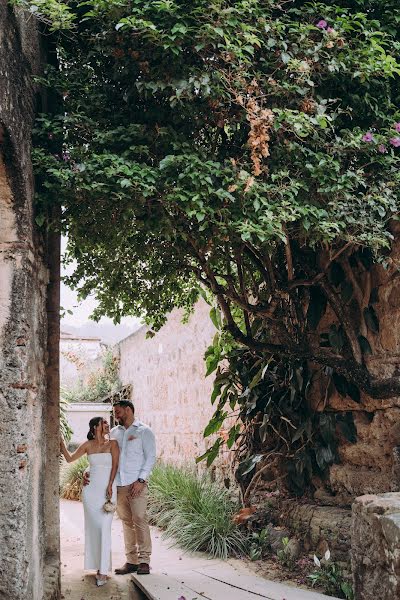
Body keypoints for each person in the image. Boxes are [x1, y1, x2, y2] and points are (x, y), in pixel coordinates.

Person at [85, 400, 156, 575]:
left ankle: (144, 560)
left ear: (128, 410)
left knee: (140, 519)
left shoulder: (144, 431)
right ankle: (131, 561)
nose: (115, 415)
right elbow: (103, 456)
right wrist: (87, 471)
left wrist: (141, 480)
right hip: (118, 485)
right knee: (126, 523)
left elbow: (151, 457)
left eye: (117, 412)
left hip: (136, 484)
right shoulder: (114, 433)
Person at [60, 417, 119, 586]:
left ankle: (103, 571)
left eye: (107, 423)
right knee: (94, 529)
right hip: (90, 492)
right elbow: (70, 459)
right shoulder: (88, 444)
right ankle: (96, 566)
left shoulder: (113, 444)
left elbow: (115, 466)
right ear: (95, 427)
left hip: (107, 490)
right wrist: (61, 442)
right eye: (104, 423)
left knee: (104, 528)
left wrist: (109, 485)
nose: (107, 425)